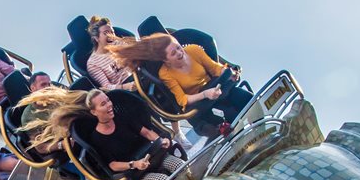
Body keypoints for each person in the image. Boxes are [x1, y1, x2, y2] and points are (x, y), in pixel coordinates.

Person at [29, 89, 186, 180]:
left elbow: (145, 132)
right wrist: (134, 164)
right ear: (94, 111)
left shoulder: (120, 118)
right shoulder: (95, 138)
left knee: (181, 166)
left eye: (108, 101)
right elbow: (111, 165)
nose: (109, 105)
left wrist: (161, 140)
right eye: (103, 104)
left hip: (152, 157)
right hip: (131, 172)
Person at [17, 87, 125, 180]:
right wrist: (62, 145)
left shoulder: (57, 97)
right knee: (85, 169)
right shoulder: (29, 117)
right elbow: (40, 147)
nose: (47, 87)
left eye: (48, 83)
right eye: (42, 85)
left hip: (78, 139)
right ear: (33, 89)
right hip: (63, 152)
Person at [108, 33, 253, 136]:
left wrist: (228, 72)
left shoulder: (194, 50)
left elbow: (215, 69)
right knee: (228, 117)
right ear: (166, 60)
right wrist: (205, 94)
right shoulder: (165, 73)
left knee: (248, 100)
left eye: (178, 47)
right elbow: (182, 100)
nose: (179, 53)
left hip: (219, 89)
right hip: (201, 103)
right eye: (173, 53)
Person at [85, 16, 135, 91]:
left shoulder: (119, 43)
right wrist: (126, 86)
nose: (111, 36)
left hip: (137, 75)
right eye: (106, 33)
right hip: (124, 88)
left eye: (112, 32)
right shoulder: (93, 64)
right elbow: (106, 86)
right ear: (96, 38)